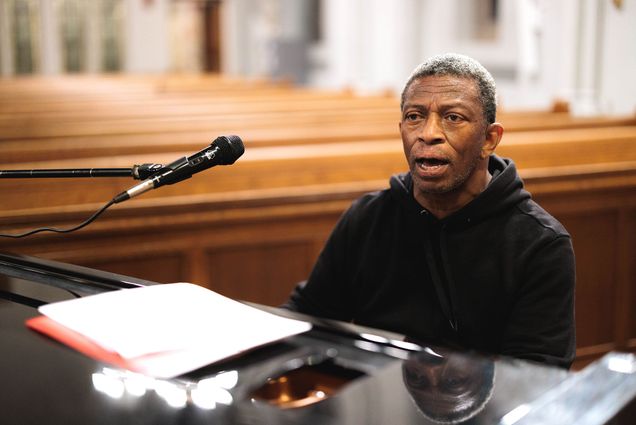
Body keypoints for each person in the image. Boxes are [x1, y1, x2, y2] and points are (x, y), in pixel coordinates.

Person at [283, 53, 576, 369]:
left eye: (453, 117)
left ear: (489, 139)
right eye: (414, 116)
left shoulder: (540, 243)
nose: (428, 133)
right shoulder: (367, 217)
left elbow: (536, 374)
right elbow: (308, 315)